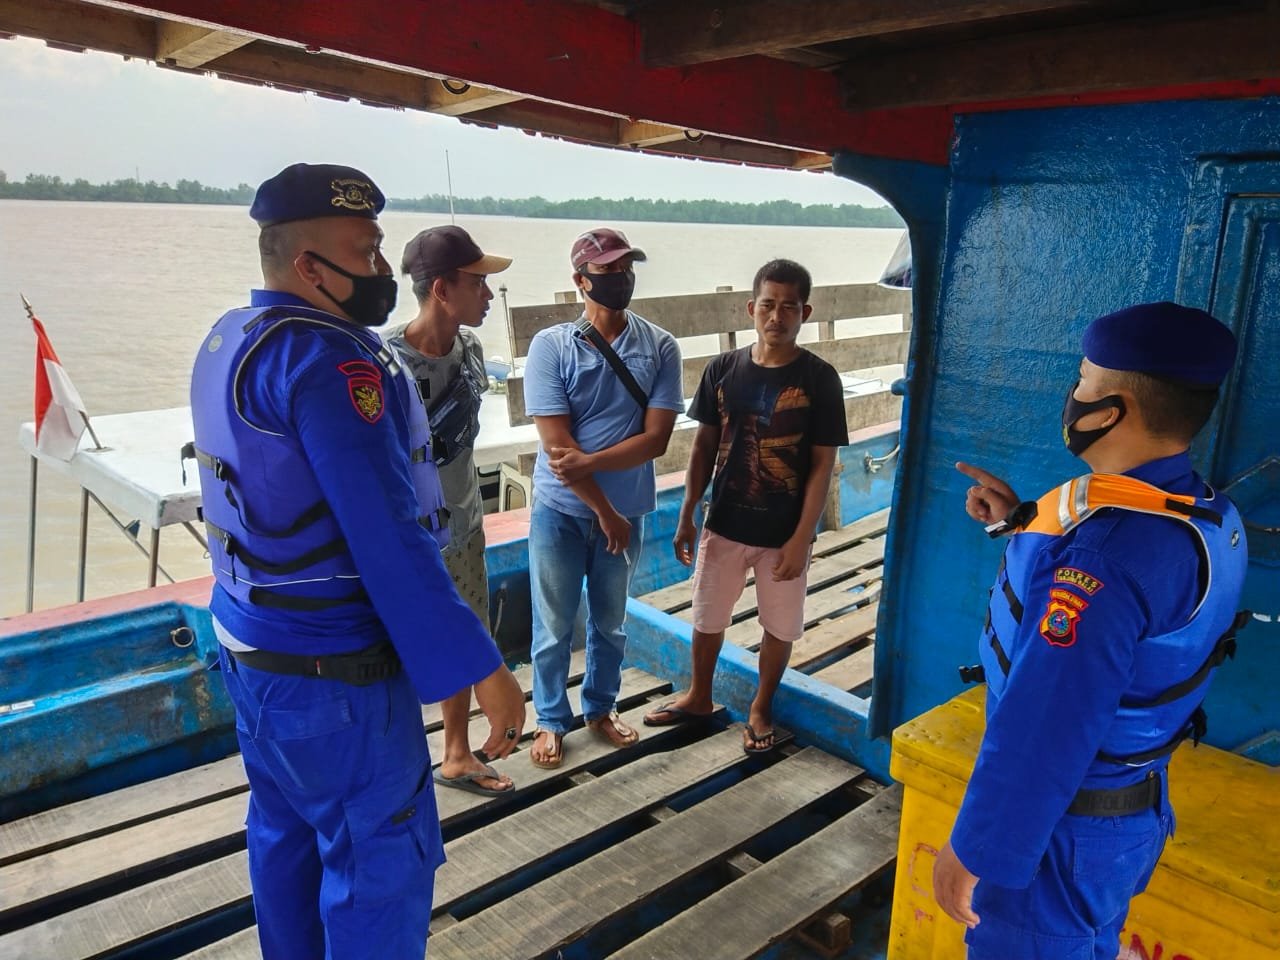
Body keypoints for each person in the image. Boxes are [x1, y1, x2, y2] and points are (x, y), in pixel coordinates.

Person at [187, 163, 526, 960]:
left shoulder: (227, 340)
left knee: (286, 842)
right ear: (310, 266)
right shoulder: (336, 367)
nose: (380, 271)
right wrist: (485, 670)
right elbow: (391, 541)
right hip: (337, 682)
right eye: (366, 252)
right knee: (378, 870)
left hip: (252, 656)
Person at [932, 302, 1248, 960]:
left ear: (1114, 410)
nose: (1071, 395)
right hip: (1125, 820)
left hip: (1058, 836)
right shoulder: (1198, 509)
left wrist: (977, 848)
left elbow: (1046, 724)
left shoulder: (1102, 560)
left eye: (1082, 380)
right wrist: (1016, 524)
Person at [642, 259, 848, 752]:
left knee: (780, 625)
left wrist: (802, 536)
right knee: (707, 615)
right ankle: (698, 695)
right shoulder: (722, 369)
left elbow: (822, 465)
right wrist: (689, 511)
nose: (776, 316)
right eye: (768, 305)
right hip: (725, 523)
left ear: (805, 312)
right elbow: (703, 447)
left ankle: (761, 705)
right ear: (751, 308)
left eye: (789, 307)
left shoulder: (820, 379)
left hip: (785, 533)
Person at [522, 227, 683, 768]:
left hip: (627, 512)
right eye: (608, 270)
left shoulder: (660, 346)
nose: (619, 278)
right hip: (560, 512)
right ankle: (549, 718)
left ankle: (599, 708)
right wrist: (604, 509)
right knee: (553, 623)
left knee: (611, 621)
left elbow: (657, 438)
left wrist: (596, 470)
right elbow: (557, 448)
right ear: (580, 280)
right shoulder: (550, 347)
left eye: (625, 268)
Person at [386, 224, 515, 797]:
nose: (488, 294)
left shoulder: (472, 351)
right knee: (400, 647)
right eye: (478, 282)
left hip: (463, 525)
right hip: (406, 541)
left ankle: (457, 752)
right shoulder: (384, 366)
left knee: (468, 630)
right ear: (441, 288)